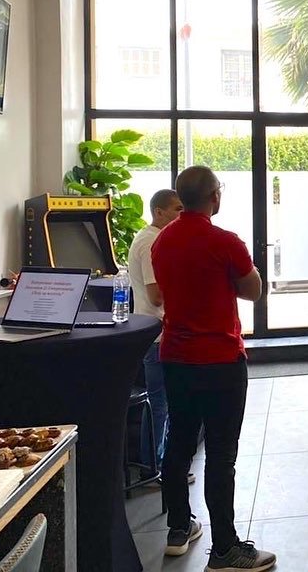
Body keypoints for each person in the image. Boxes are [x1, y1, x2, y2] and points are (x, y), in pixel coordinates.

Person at [151, 166, 275, 571]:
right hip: (220, 360)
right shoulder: (225, 241)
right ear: (214, 197)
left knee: (179, 444)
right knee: (221, 455)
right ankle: (224, 549)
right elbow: (253, 290)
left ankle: (178, 526)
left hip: (174, 358)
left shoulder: (161, 241)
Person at [126, 189, 184, 477]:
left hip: (154, 331)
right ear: (158, 212)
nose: (181, 215)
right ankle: (156, 466)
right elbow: (157, 295)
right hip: (158, 334)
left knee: (162, 401)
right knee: (161, 403)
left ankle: (159, 463)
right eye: (177, 209)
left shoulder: (147, 237)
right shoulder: (151, 243)